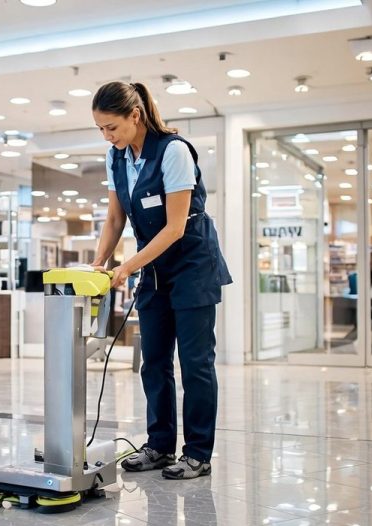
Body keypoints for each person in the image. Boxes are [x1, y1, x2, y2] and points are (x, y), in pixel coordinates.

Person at [90, 81, 232, 480]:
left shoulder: (173, 152)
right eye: (100, 129)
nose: (107, 136)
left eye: (112, 127)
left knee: (195, 364)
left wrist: (127, 266)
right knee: (153, 362)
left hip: (192, 266)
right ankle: (159, 446)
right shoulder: (116, 158)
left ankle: (198, 453)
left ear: (135, 116)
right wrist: (99, 262)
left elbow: (173, 228)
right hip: (153, 270)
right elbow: (116, 218)